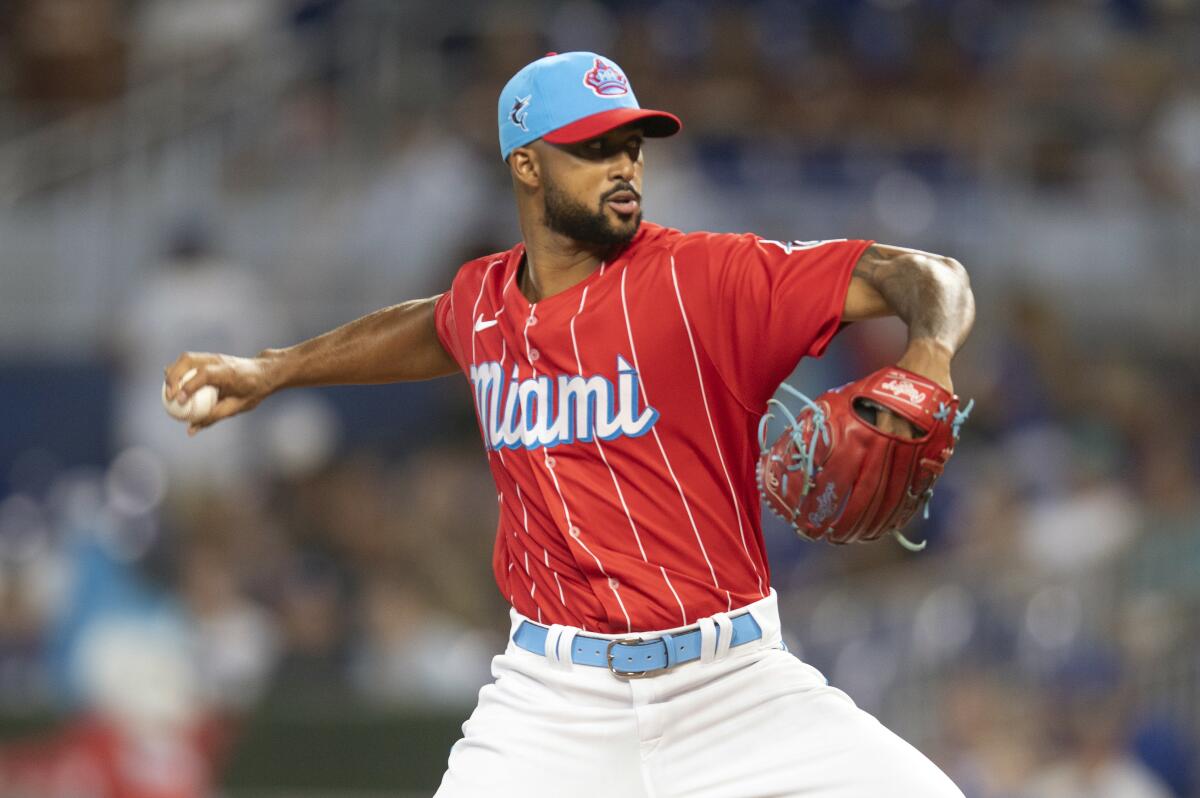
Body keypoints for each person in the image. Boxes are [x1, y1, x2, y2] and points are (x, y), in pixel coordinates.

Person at [164, 52, 975, 797]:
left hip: (731, 686)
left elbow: (927, 275)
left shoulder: (707, 279)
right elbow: (428, 329)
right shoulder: (483, 299)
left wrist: (930, 356)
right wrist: (272, 369)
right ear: (526, 165)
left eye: (632, 145)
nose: (623, 166)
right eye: (593, 149)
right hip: (552, 701)